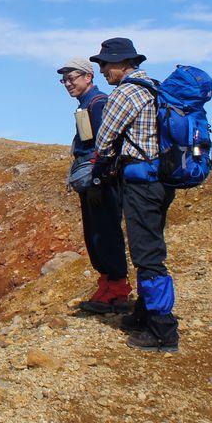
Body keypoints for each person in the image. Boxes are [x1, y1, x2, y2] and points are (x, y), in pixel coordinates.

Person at [90, 37, 179, 353]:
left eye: (103, 65)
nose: (102, 71)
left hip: (141, 183)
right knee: (149, 246)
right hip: (160, 181)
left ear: (118, 64)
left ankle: (162, 329)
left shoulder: (125, 93)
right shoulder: (154, 88)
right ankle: (143, 312)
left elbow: (104, 138)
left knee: (147, 255)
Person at [57, 57, 131, 315]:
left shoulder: (97, 104)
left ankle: (117, 290)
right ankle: (109, 286)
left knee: (104, 231)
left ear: (88, 77)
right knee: (96, 232)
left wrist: (98, 180)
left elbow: (104, 145)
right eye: (64, 79)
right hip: (94, 178)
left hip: (100, 178)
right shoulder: (88, 104)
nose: (67, 83)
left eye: (72, 77)